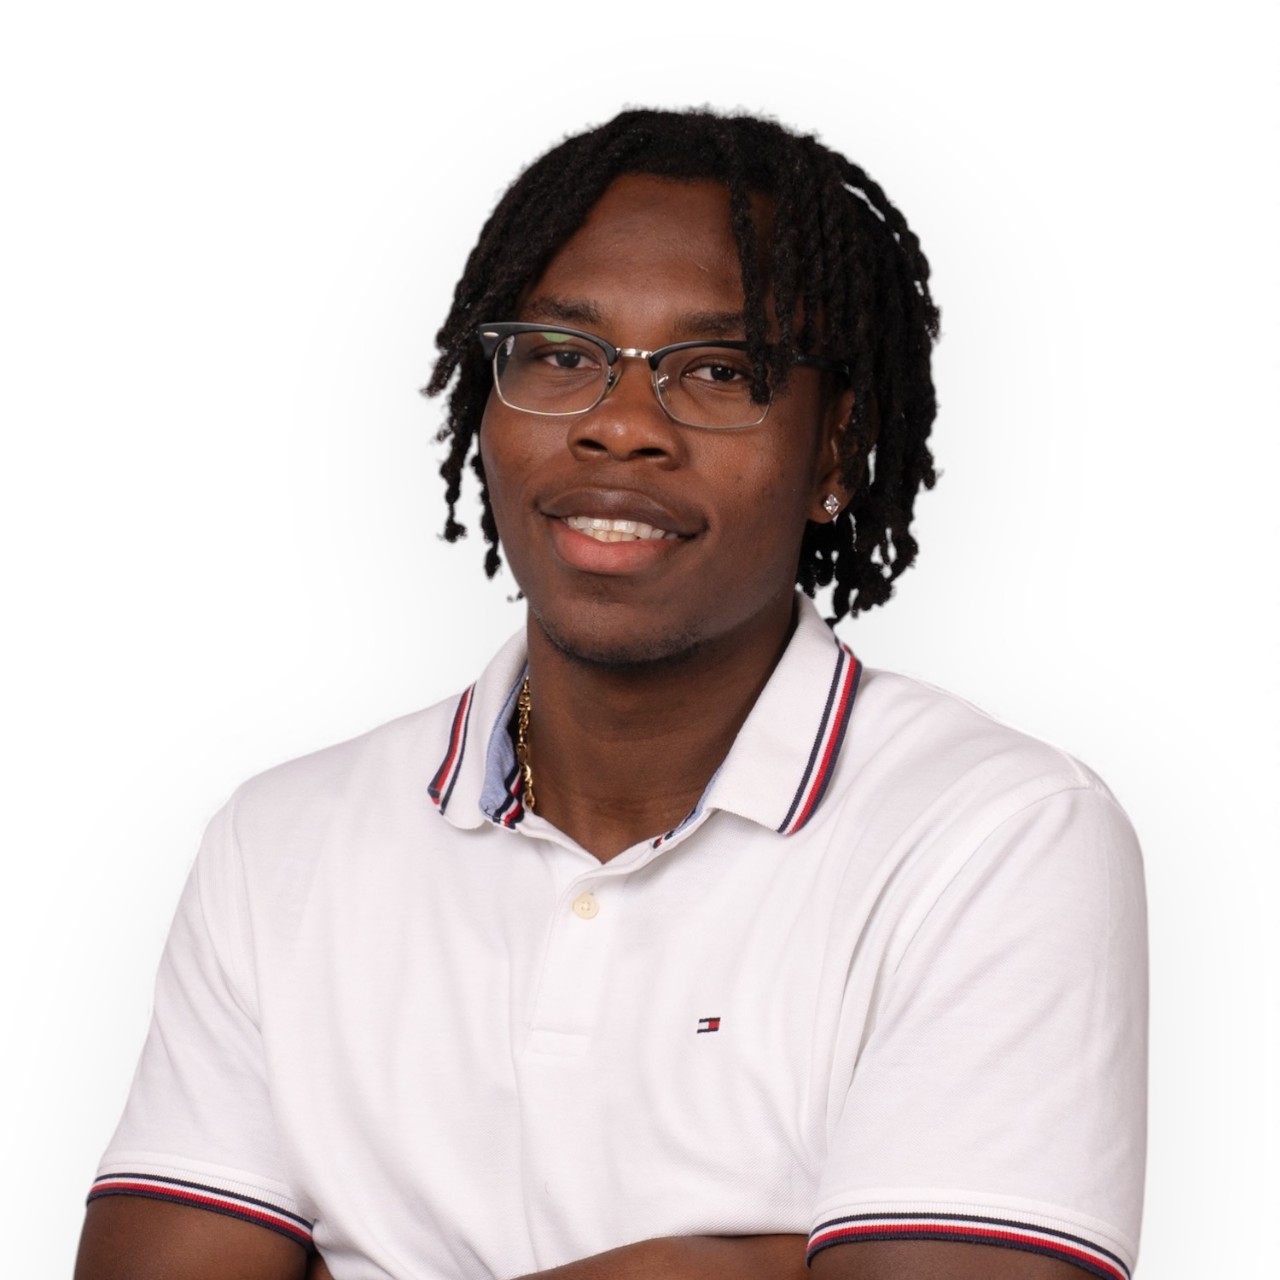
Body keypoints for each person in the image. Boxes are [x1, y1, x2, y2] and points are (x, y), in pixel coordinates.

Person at [75, 108, 1147, 1280]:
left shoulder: (995, 833)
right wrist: (744, 1262)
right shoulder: (277, 843)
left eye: (721, 370)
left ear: (834, 453)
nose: (621, 425)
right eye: (560, 355)